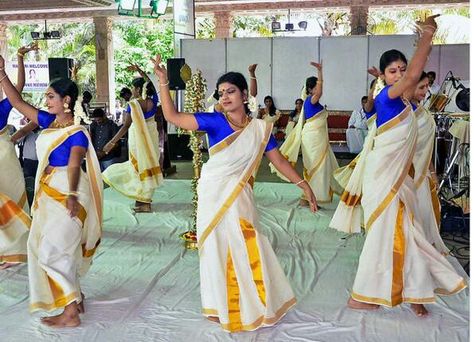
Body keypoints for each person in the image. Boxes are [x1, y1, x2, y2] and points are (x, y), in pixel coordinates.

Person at [151, 54, 317, 332]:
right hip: (213, 193)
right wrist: (164, 83)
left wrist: (303, 184)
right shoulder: (215, 122)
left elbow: (278, 161)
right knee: (216, 246)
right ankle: (220, 303)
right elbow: (172, 117)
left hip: (240, 196)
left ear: (244, 94)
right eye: (221, 93)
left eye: (230, 91)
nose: (225, 96)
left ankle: (257, 300)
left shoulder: (261, 130)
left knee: (247, 242)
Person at [348, 15, 466, 317]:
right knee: (384, 235)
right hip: (383, 180)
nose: (400, 75)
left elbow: (417, 83)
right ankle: (366, 295)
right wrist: (427, 35)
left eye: (402, 69)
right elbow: (414, 78)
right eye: (393, 71)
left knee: (407, 234)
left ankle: (415, 292)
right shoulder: (387, 100)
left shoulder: (409, 107)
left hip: (402, 181)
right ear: (386, 78)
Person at [0, 60, 103, 327]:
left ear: (66, 100)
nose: (46, 101)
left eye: (50, 96)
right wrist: (1, 74)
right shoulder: (49, 122)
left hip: (69, 192)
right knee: (46, 246)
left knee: (52, 251)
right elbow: (17, 102)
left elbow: (73, 163)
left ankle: (69, 312)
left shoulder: (77, 133)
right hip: (47, 193)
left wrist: (70, 193)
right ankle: (75, 297)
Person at [272, 61, 339, 205]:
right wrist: (320, 72)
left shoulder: (309, 102)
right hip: (313, 138)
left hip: (313, 137)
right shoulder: (312, 100)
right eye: (316, 86)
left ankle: (306, 197)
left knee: (314, 167)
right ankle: (312, 198)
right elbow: (320, 92)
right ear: (311, 89)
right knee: (317, 168)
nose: (319, 89)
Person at [102, 73, 162, 213]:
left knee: (137, 168)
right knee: (148, 166)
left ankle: (143, 201)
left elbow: (125, 126)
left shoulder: (133, 105)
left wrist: (112, 142)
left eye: (133, 88)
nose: (132, 91)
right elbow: (151, 84)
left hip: (138, 139)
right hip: (152, 137)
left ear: (138, 89)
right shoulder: (153, 101)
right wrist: (141, 71)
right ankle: (144, 202)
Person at [0, 45, 36, 269]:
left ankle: (13, 251)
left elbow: (19, 89)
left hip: (4, 160)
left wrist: (18, 59)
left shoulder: (2, 109)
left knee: (10, 200)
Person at [409, 72, 449, 254]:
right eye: (422, 87)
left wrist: (433, 172)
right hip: (408, 174)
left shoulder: (421, 109)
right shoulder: (403, 113)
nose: (426, 91)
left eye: (427, 86)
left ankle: (421, 253)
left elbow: (426, 147)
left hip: (423, 171)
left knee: (426, 213)